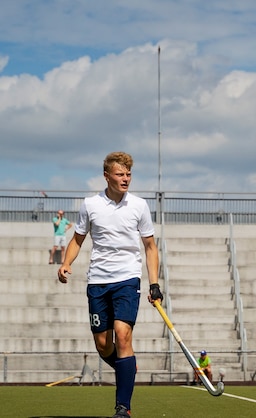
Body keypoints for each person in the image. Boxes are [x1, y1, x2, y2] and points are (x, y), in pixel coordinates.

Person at [57, 151, 162, 418]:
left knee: (123, 335)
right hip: (98, 282)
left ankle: (122, 408)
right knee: (103, 344)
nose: (125, 178)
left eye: (128, 174)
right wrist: (66, 263)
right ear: (107, 176)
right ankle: (127, 367)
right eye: (120, 174)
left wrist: (154, 283)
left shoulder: (139, 206)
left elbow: (150, 247)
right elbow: (78, 239)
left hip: (127, 279)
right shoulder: (90, 205)